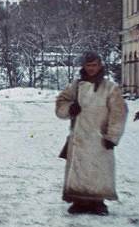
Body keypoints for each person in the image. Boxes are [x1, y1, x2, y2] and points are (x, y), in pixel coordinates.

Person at [55, 51, 128, 215]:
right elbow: (61, 102)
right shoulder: (75, 86)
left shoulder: (110, 88)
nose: (91, 69)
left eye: (94, 65)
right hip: (79, 137)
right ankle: (78, 201)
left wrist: (112, 136)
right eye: (88, 65)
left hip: (99, 138)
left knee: (98, 170)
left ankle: (98, 202)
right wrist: (69, 108)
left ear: (100, 65)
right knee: (79, 169)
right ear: (84, 66)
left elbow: (119, 113)